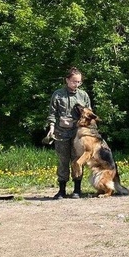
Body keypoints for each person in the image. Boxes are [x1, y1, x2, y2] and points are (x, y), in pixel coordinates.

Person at [46, 67, 92, 199]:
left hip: (78, 133)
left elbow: (89, 114)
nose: (76, 84)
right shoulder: (58, 94)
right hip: (61, 133)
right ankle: (61, 190)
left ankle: (77, 189)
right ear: (67, 80)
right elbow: (52, 113)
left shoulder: (83, 95)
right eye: (73, 81)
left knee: (77, 160)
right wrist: (51, 128)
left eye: (78, 82)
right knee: (63, 160)